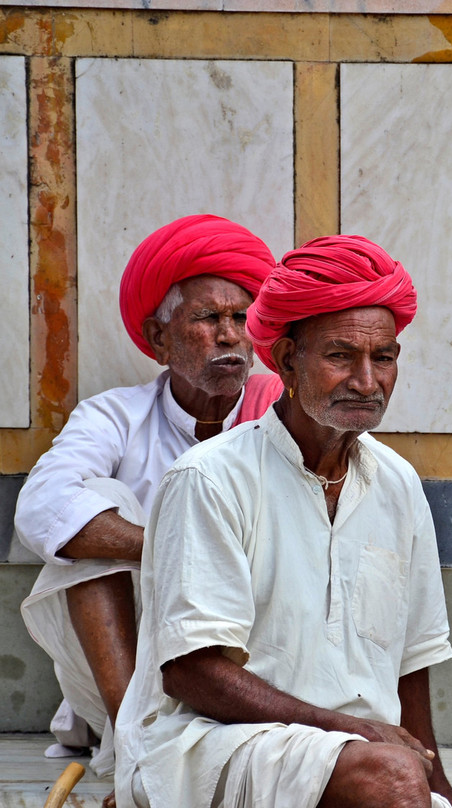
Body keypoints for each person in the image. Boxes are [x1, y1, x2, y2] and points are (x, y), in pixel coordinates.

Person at [113, 235, 452, 808]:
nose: (366, 381)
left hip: (359, 757)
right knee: (388, 779)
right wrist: (341, 729)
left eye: (383, 358)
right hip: (216, 747)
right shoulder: (209, 479)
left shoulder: (398, 483)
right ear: (284, 361)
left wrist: (442, 789)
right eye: (340, 357)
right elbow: (191, 674)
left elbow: (409, 664)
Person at [15, 214, 281, 780]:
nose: (231, 335)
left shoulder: (281, 415)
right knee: (99, 509)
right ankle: (137, 746)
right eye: (208, 318)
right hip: (134, 669)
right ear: (159, 339)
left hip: (252, 653)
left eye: (242, 319)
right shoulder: (114, 416)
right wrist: (175, 545)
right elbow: (41, 508)